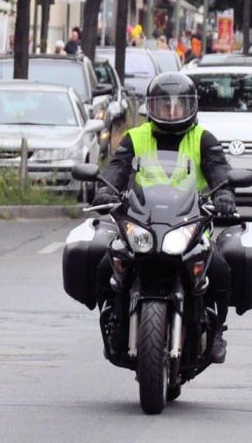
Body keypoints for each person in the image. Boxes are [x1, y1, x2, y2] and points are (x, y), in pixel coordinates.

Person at [92, 72, 236, 363]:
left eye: (178, 106)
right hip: (142, 221)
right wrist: (106, 190)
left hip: (189, 223)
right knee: (104, 265)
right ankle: (113, 321)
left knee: (220, 268)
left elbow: (218, 169)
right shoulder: (136, 137)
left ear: (191, 107)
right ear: (151, 107)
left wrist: (224, 196)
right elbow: (117, 168)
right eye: (164, 106)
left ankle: (218, 329)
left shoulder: (203, 139)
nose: (171, 112)